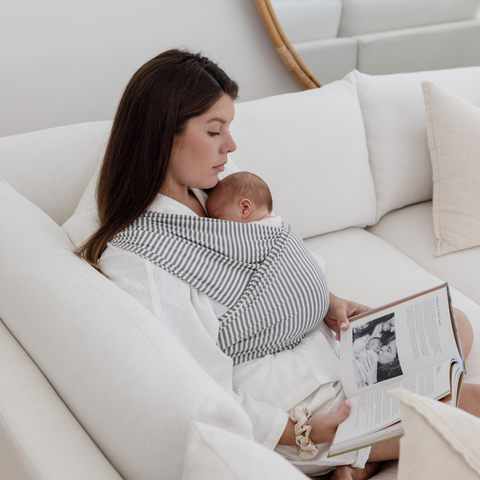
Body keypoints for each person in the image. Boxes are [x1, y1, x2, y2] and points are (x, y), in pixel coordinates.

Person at [75, 49, 478, 480]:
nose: (231, 145)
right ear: (161, 137)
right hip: (301, 406)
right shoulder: (146, 260)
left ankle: (361, 463)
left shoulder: (205, 195)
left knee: (454, 325)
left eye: (228, 128)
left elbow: (272, 264)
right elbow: (204, 391)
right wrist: (296, 430)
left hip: (325, 349)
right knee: (471, 408)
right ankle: (352, 454)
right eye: (215, 131)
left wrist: (327, 302)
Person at [206, 171, 281, 226]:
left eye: (217, 217)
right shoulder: (278, 223)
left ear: (244, 208)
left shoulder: (255, 232)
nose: (213, 222)